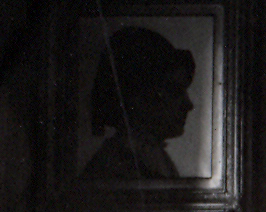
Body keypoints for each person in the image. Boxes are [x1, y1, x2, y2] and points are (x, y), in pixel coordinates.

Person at [81, 25, 197, 181]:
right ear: (138, 95)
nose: (188, 105)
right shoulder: (116, 170)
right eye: (174, 91)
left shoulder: (152, 159)